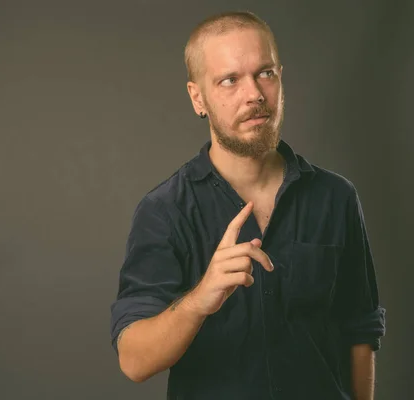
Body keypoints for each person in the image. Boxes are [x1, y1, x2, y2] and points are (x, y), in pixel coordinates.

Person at [109, 10, 386, 400]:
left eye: (265, 73)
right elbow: (134, 362)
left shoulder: (336, 197)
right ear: (197, 97)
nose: (254, 93)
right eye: (229, 80)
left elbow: (360, 330)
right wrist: (199, 300)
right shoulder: (164, 210)